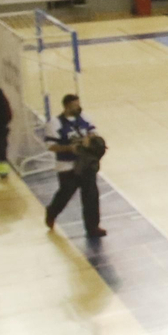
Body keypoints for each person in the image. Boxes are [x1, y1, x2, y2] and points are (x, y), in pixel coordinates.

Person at [44, 93, 105, 238]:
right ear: (66, 106)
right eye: (74, 105)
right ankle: (52, 212)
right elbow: (51, 146)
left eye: (78, 104)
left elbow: (93, 133)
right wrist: (69, 148)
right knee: (65, 194)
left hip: (85, 165)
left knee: (91, 196)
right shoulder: (55, 123)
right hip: (67, 166)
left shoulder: (85, 118)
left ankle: (92, 227)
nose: (78, 107)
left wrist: (90, 140)